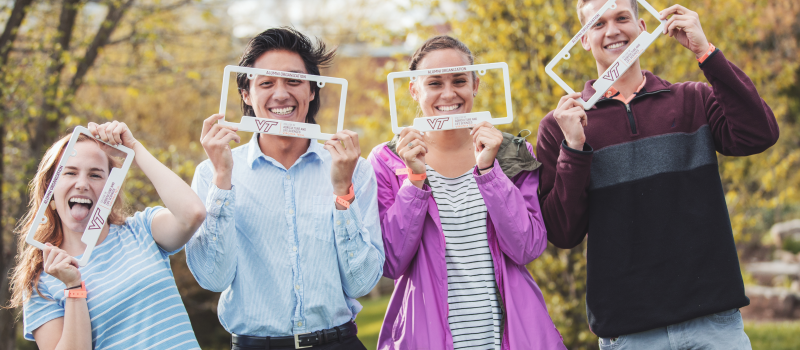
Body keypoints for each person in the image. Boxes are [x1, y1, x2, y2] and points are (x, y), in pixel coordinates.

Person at [537, 1, 779, 348]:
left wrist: (707, 53)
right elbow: (562, 232)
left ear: (643, 26)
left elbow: (760, 134)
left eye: (622, 18)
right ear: (584, 41)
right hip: (629, 332)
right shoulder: (561, 125)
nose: (613, 30)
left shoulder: (692, 98)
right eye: (598, 23)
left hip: (713, 321)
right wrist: (574, 148)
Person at [187, 27, 384, 350]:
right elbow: (213, 279)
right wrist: (223, 180)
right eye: (266, 83)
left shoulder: (354, 169)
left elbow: (362, 282)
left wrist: (341, 191)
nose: (280, 94)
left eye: (293, 81)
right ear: (246, 94)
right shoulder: (212, 173)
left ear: (311, 91)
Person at [369, 35, 566, 350]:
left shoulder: (511, 152)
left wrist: (490, 172)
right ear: (413, 89)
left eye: (459, 80)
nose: (449, 93)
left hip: (511, 339)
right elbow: (391, 262)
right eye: (435, 83)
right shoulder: (387, 160)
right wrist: (415, 178)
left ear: (475, 84)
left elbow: (527, 247)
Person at [10, 121, 206, 349]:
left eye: (95, 175)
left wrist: (134, 148)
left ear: (110, 189)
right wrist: (73, 287)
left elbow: (193, 213)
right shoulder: (41, 281)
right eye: (70, 172)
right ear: (50, 192)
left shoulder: (142, 229)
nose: (82, 184)